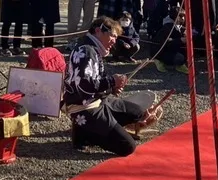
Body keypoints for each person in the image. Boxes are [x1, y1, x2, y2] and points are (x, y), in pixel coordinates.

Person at [64, 16, 156, 156]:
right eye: (112, 36)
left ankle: (89, 129)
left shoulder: (93, 50)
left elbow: (95, 81)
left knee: (138, 113)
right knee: (127, 147)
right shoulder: (86, 51)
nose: (114, 41)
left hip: (98, 100)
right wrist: (112, 81)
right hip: (84, 106)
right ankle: (85, 132)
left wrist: (112, 87)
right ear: (98, 31)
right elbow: (84, 86)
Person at [153, 3, 189, 73]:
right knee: (180, 58)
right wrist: (180, 40)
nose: (183, 18)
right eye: (180, 16)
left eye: (183, 16)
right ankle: (160, 60)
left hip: (173, 50)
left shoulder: (180, 27)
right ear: (175, 17)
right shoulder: (167, 28)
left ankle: (178, 64)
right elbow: (165, 43)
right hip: (162, 52)